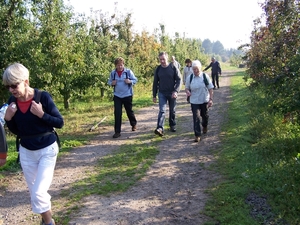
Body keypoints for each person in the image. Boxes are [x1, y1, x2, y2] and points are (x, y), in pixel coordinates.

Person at [2, 63, 64, 225]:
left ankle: (49, 223)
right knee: (35, 193)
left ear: (26, 81)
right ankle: (47, 220)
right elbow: (18, 131)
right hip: (26, 151)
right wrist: (8, 119)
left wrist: (42, 114)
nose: (11, 90)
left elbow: (59, 122)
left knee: (38, 192)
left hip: (47, 149)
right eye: (8, 87)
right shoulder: (12, 102)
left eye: (14, 85)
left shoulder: (42, 97)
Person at [108, 57, 138, 138]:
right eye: (118, 65)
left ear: (123, 64)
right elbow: (109, 81)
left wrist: (130, 81)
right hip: (117, 95)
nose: (120, 67)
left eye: (121, 65)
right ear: (116, 66)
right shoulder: (113, 73)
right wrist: (112, 83)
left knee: (129, 111)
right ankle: (117, 132)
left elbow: (135, 80)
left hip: (127, 95)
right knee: (117, 113)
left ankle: (133, 124)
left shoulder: (128, 72)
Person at [152, 52, 181, 136]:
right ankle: (160, 128)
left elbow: (179, 80)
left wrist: (176, 91)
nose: (162, 61)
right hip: (162, 93)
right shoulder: (158, 69)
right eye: (160, 59)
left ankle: (172, 125)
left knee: (172, 110)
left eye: (163, 59)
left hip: (172, 93)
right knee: (162, 110)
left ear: (167, 58)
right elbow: (155, 83)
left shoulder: (173, 67)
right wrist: (154, 95)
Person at [185, 60, 214, 142]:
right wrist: (187, 91)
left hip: (204, 100)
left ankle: (205, 125)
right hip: (194, 101)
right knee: (196, 117)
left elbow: (211, 88)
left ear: (200, 68)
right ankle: (197, 135)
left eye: (197, 69)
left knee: (205, 116)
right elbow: (186, 87)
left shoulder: (205, 76)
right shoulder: (189, 78)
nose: (195, 71)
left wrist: (211, 99)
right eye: (194, 69)